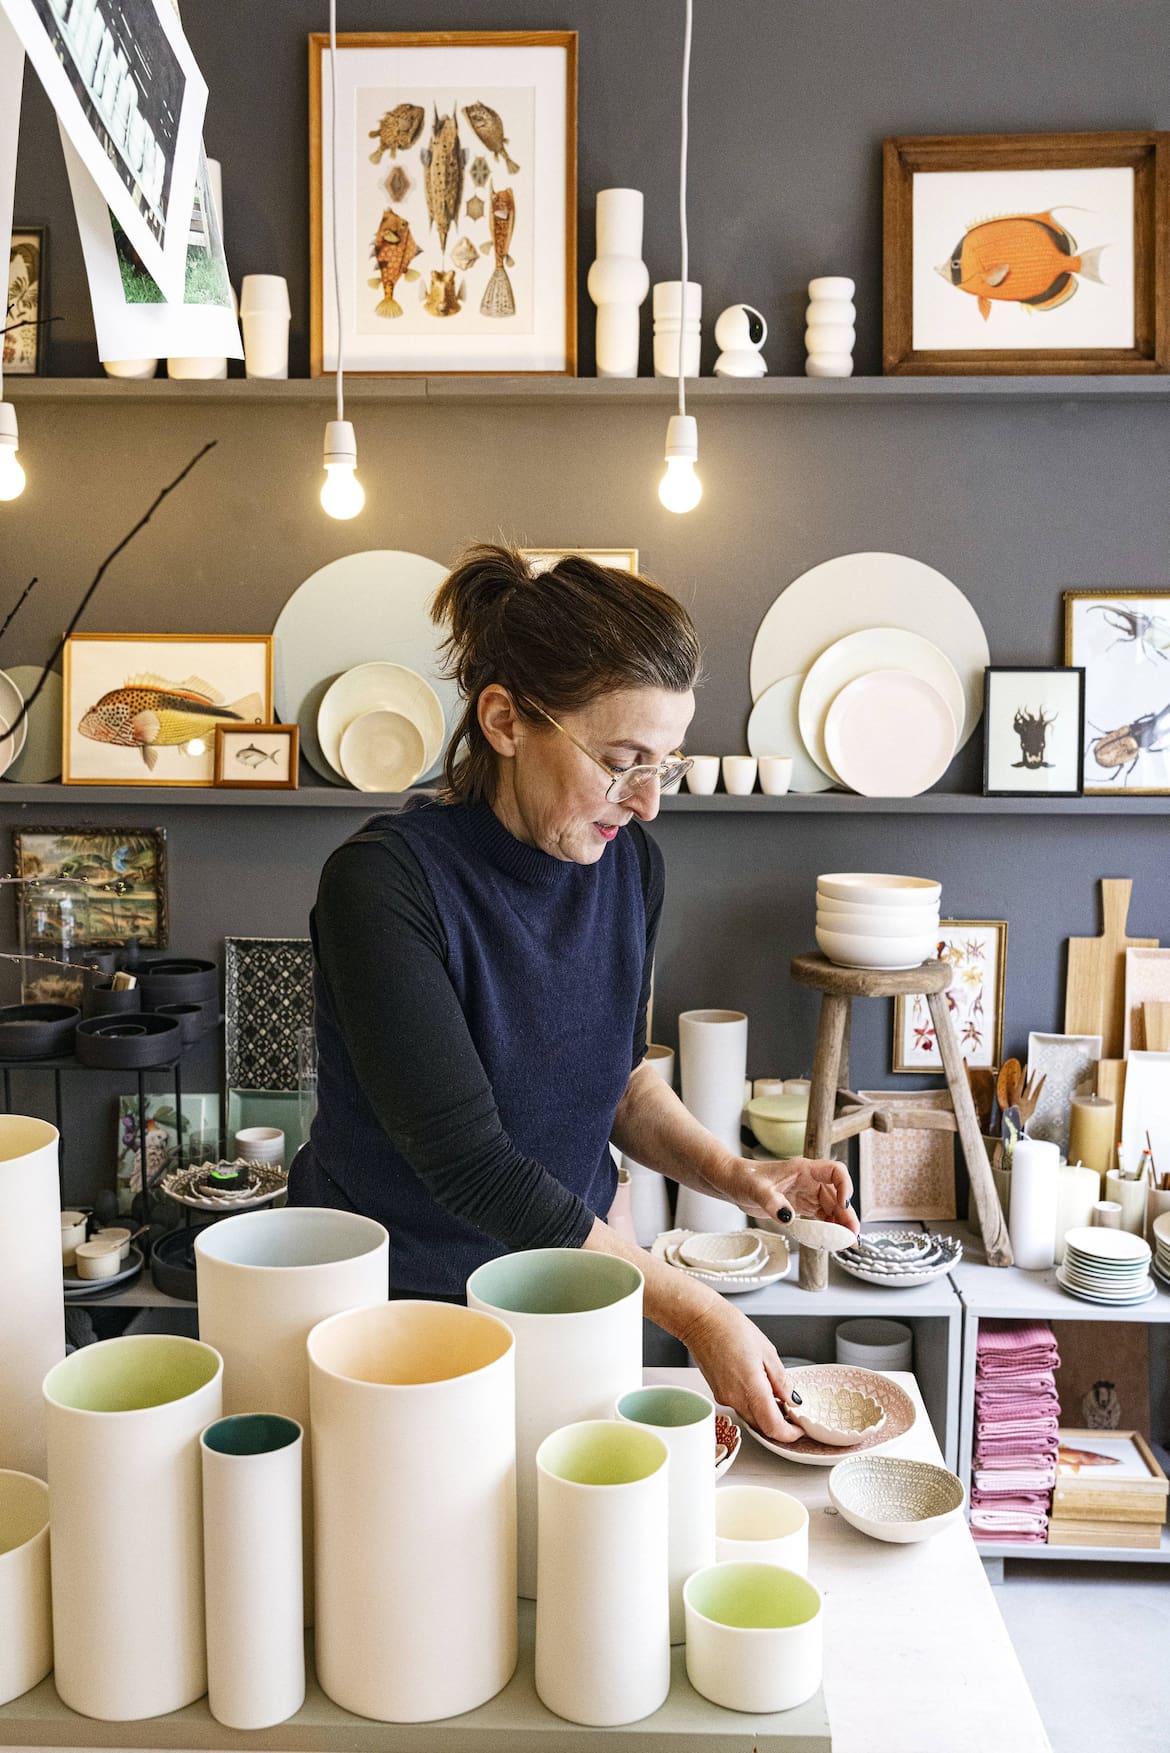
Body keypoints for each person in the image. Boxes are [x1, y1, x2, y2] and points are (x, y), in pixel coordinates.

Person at [290, 545, 858, 1442]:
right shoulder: (384, 886)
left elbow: (618, 1078)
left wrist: (735, 1174)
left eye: (664, 765)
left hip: (571, 1289)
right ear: (507, 719)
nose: (646, 802)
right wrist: (695, 1310)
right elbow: (469, 1161)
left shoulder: (628, 862)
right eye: (624, 759)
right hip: (403, 1313)